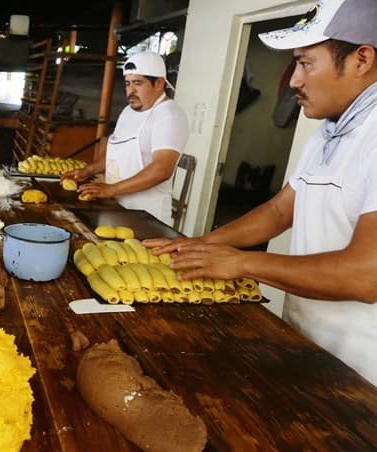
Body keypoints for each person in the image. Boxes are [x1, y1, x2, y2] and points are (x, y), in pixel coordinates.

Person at [144, 0, 377, 385]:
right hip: (311, 344)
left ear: (361, 59)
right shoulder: (329, 132)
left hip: (363, 371)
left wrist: (243, 263)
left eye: (305, 63)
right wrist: (202, 245)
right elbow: (280, 210)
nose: (294, 82)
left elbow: (366, 276)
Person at [61, 51, 189, 226]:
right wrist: (87, 171)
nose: (131, 91)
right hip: (117, 207)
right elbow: (116, 153)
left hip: (145, 215)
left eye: (138, 83)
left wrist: (111, 189)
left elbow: (162, 169)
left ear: (159, 83)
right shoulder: (129, 111)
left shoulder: (169, 116)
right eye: (128, 84)